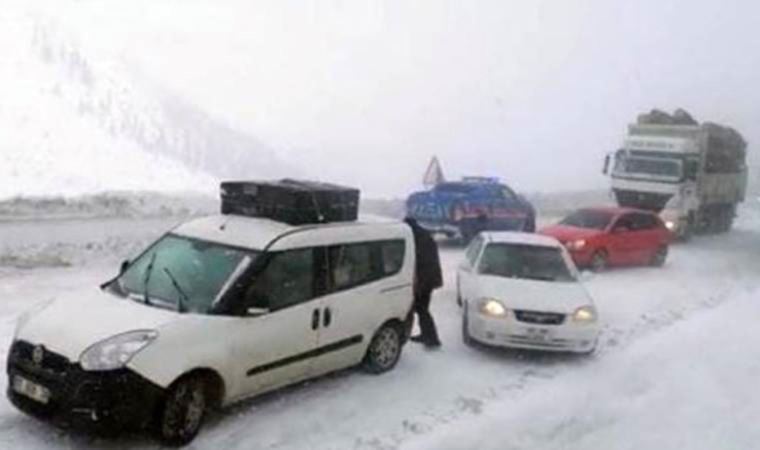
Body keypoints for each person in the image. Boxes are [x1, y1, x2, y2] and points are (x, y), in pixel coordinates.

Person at [404, 217, 443, 348]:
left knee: (422, 309)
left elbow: (421, 262)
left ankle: (432, 339)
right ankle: (426, 335)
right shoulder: (424, 235)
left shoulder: (417, 238)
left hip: (424, 281)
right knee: (421, 309)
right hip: (428, 279)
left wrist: (419, 284)